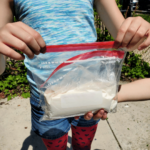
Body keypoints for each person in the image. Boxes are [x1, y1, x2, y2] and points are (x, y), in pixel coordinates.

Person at [0, 0, 150, 149]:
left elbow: (128, 41)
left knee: (83, 145)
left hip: (90, 96)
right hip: (46, 99)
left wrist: (138, 31)